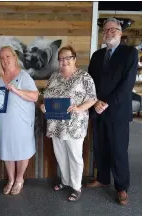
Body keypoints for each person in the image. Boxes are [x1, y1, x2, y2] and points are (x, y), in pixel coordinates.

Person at [87, 18, 138, 205]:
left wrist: (106, 102)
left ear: (120, 32)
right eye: (106, 30)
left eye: (113, 29)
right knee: (100, 147)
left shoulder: (130, 53)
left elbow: (127, 84)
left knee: (118, 150)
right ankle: (102, 179)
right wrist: (95, 102)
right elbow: (89, 82)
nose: (109, 32)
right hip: (97, 110)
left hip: (117, 111)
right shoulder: (97, 55)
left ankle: (122, 187)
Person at [40, 45, 97, 201]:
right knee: (61, 155)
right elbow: (47, 95)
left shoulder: (84, 77)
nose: (64, 61)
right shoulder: (54, 77)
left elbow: (92, 98)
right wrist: (44, 106)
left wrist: (79, 108)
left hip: (74, 125)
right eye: (61, 58)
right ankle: (65, 181)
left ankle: (76, 187)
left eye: (68, 57)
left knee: (74, 155)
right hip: (56, 124)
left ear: (74, 59)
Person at [0, 46, 39, 195]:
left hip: (22, 121)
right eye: (2, 58)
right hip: (4, 122)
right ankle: (11, 179)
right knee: (7, 148)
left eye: (8, 56)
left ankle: (20, 179)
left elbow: (34, 96)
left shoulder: (24, 76)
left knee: (22, 149)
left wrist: (16, 90)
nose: (5, 60)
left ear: (14, 58)